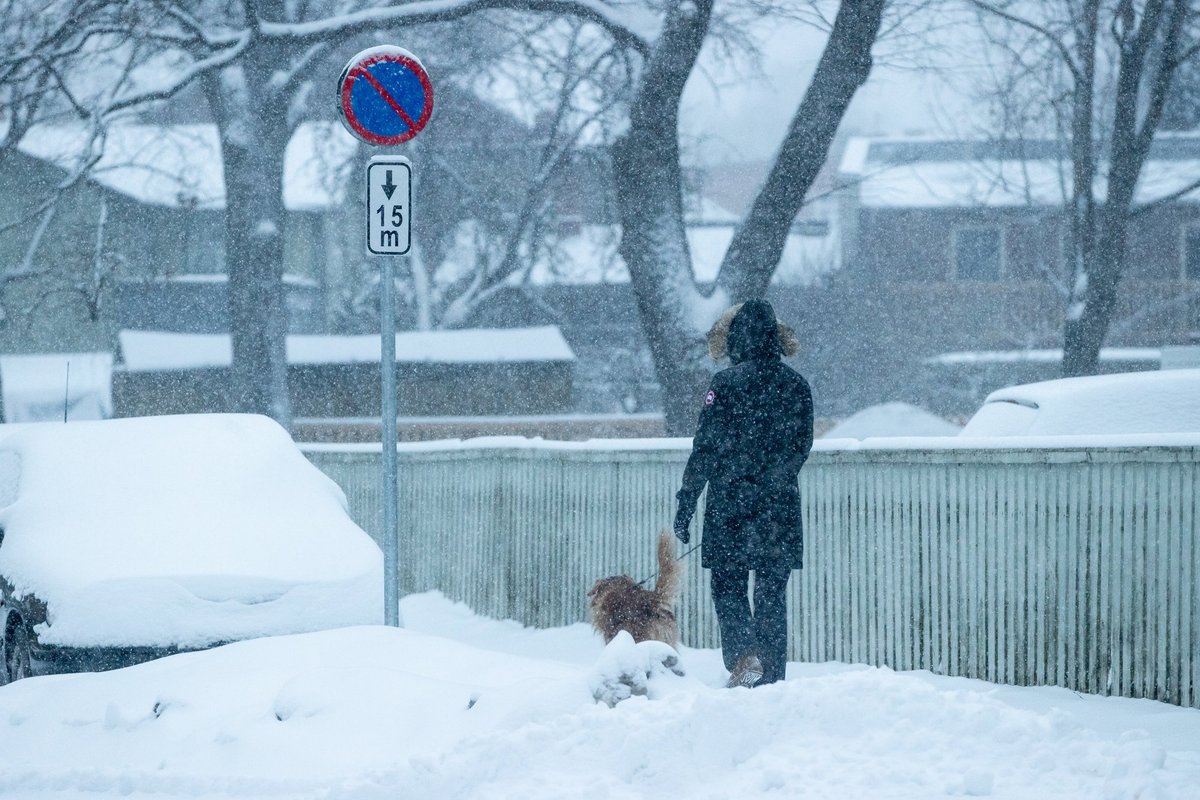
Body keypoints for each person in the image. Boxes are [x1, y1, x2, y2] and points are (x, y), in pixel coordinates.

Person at [673, 299, 814, 687]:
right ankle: (771, 676)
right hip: (779, 507)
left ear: (735, 338)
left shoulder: (726, 385)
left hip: (730, 504)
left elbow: (704, 448)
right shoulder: (797, 386)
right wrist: (773, 481)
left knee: (728, 585)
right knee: (771, 592)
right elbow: (801, 446)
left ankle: (745, 657)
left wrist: (687, 500)